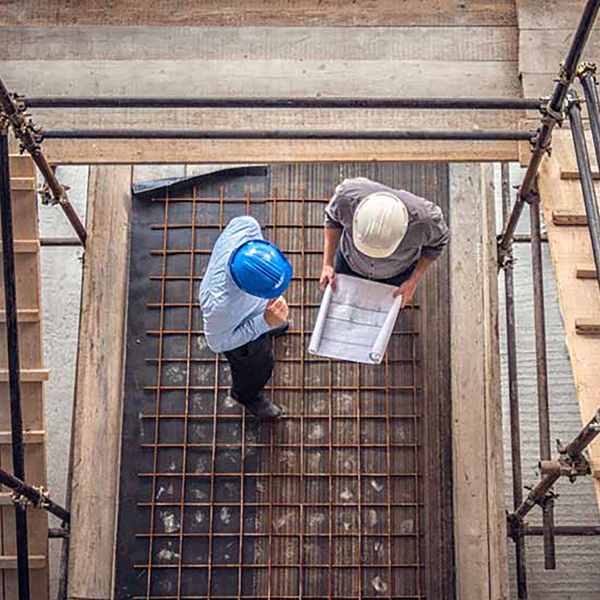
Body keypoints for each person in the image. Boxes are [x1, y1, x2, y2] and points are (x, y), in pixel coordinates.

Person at [199, 216, 292, 420]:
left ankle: (270, 325)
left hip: (253, 311)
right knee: (258, 367)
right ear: (247, 290)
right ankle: (246, 396)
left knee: (270, 327)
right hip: (237, 329)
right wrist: (263, 323)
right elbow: (217, 343)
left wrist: (267, 317)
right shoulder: (220, 307)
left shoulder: (246, 227)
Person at [320, 177, 449, 307]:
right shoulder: (346, 198)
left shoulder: (426, 222)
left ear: (404, 230)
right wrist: (328, 264)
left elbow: (437, 245)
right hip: (349, 263)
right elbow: (332, 220)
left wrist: (413, 280)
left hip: (397, 274)